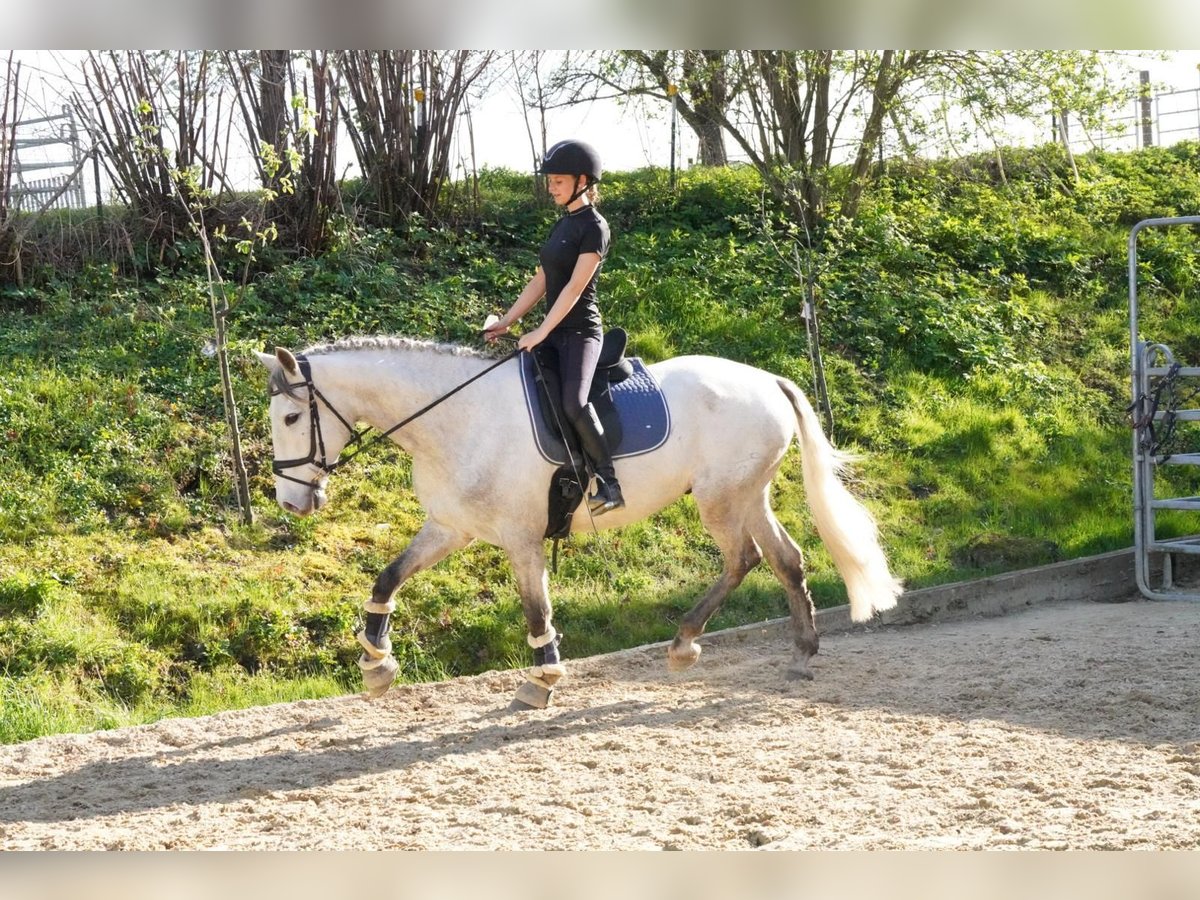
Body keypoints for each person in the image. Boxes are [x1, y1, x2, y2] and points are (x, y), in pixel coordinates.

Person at [484, 139, 625, 515]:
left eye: (558, 181)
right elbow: (542, 280)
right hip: (554, 329)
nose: (551, 187)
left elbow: (576, 289)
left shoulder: (595, 228)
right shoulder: (564, 224)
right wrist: (507, 321)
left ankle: (609, 483)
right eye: (550, 181)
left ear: (582, 180)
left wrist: (541, 332)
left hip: (580, 333)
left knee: (574, 401)